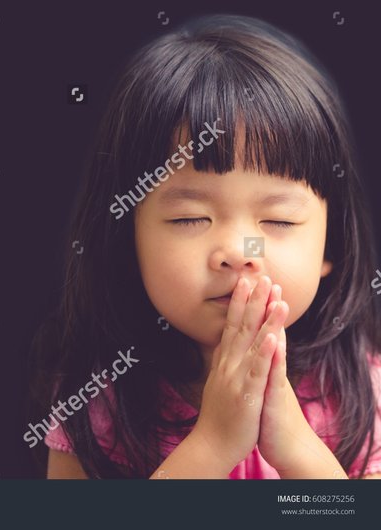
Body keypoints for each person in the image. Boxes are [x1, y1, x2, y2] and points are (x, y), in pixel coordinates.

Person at [30, 14, 381, 479]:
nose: (238, 251)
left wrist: (297, 448)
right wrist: (212, 446)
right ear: (126, 241)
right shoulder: (96, 402)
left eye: (277, 219)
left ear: (330, 246)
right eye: (189, 218)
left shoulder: (361, 389)